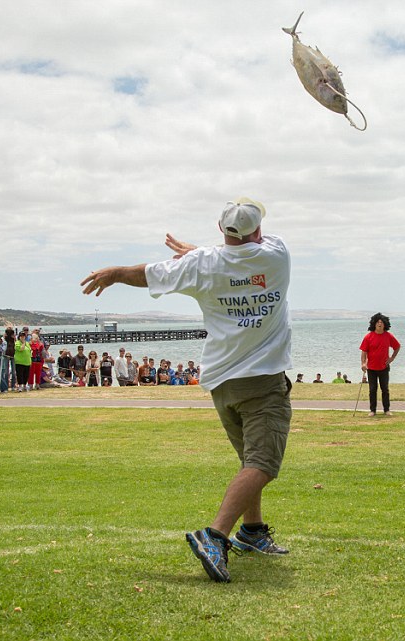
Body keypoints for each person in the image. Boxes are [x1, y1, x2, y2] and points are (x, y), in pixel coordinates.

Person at [81, 196, 293, 584]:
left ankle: (253, 533)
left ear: (220, 229)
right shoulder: (276, 255)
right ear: (258, 229)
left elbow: (146, 273)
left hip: (221, 383)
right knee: (262, 464)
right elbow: (243, 256)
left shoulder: (202, 265)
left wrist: (114, 273)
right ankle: (215, 536)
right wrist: (202, 253)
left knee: (249, 459)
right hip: (262, 381)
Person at [359, 312, 400, 417]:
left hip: (384, 367)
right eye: (378, 322)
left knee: (385, 389)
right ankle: (373, 410)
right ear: (374, 324)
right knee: (372, 390)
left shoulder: (388, 336)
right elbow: (363, 352)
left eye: (381, 322)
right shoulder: (368, 337)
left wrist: (391, 358)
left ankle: (387, 410)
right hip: (371, 368)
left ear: (385, 324)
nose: (380, 324)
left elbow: (397, 346)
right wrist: (363, 364)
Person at [0, 327, 17, 392]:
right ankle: (6, 386)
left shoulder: (14, 339)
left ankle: (13, 386)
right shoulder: (4, 339)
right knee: (6, 372)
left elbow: (16, 346)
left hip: (13, 355)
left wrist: (15, 338)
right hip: (6, 355)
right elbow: (2, 345)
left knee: (13, 372)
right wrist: (4, 337)